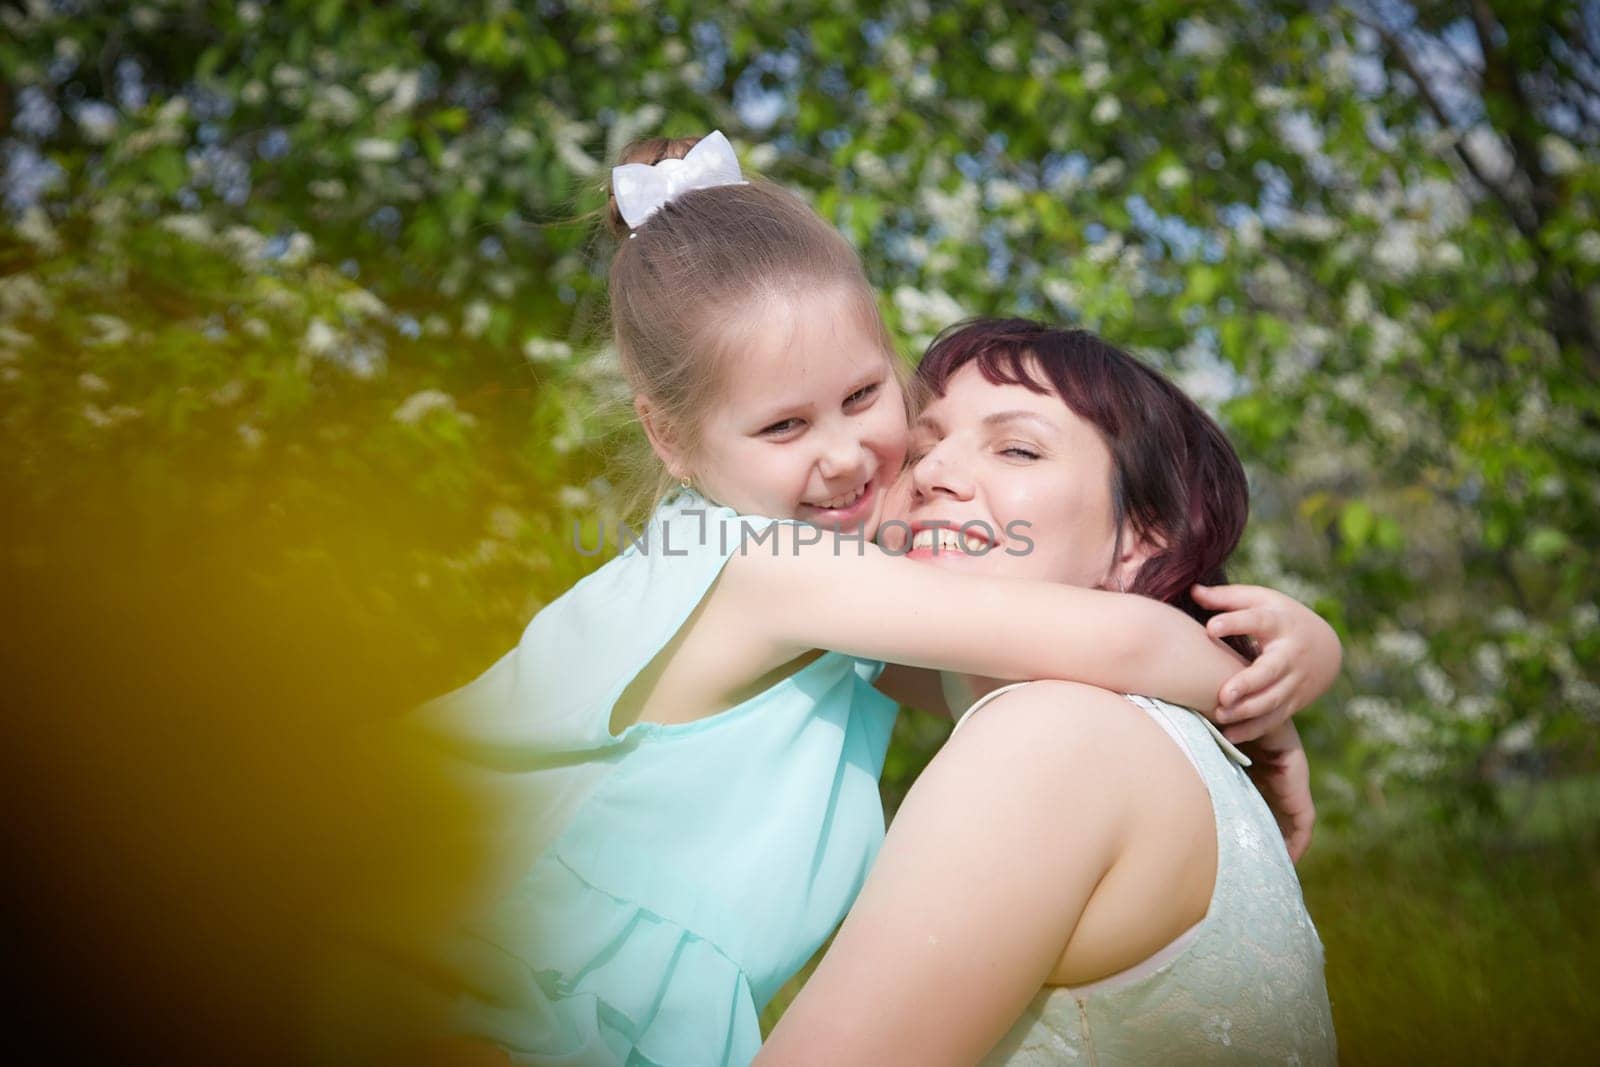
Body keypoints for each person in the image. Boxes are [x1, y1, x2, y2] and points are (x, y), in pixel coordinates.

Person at [420, 136, 1340, 1066]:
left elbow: (1000, 669)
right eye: (784, 425)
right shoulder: (767, 567)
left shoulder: (846, 609)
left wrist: (1284, 666)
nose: (849, 456)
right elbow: (1113, 643)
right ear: (671, 439)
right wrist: (1259, 700)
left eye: (866, 395)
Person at [758, 320, 1338, 1065]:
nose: (935, 473)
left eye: (1017, 448)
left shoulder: (1052, 736)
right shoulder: (1147, 740)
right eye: (924, 445)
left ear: (1139, 538)